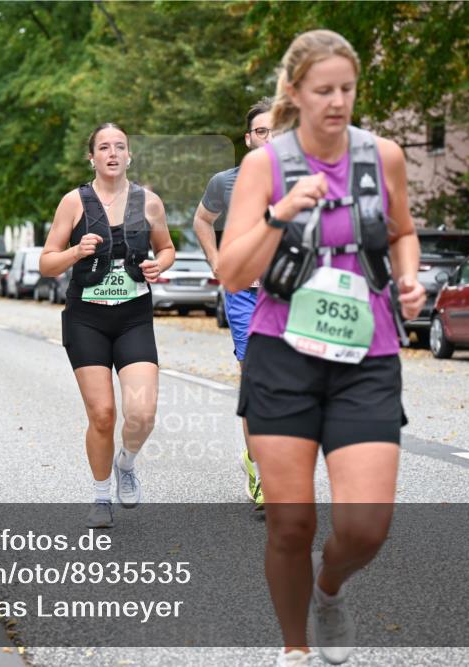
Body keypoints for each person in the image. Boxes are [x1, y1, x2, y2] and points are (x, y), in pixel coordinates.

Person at [217, 30, 425, 666]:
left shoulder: (383, 156)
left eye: (346, 89)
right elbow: (231, 272)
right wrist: (279, 213)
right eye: (323, 90)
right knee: (291, 523)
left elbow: (402, 231)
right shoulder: (266, 166)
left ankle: (329, 589)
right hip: (283, 355)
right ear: (295, 92)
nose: (337, 101)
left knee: (366, 525)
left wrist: (409, 278)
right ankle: (295, 647)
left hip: (368, 355)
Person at [40, 123, 175, 529]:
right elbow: (47, 263)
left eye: (120, 146)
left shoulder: (149, 202)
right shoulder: (74, 202)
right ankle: (101, 496)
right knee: (102, 414)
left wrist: (159, 265)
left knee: (143, 414)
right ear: (92, 157)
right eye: (104, 147)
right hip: (86, 318)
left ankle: (126, 463)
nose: (112, 153)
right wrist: (74, 252)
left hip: (133, 316)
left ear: (129, 155)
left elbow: (167, 248)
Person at [194, 97, 274, 510]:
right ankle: (261, 472)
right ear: (248, 139)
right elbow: (202, 220)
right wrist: (217, 261)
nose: (270, 137)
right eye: (262, 131)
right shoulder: (225, 182)